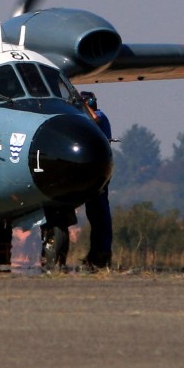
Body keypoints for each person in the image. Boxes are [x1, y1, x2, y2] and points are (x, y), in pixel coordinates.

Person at [79, 91, 113, 269]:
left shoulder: (99, 116)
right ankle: (96, 254)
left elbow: (94, 118)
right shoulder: (98, 116)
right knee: (95, 213)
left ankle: (101, 254)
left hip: (99, 170)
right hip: (97, 169)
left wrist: (80, 105)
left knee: (99, 212)